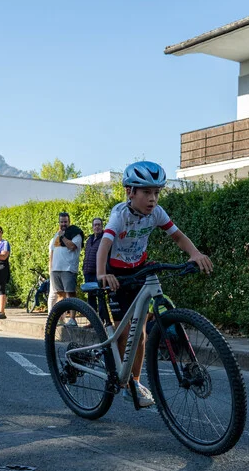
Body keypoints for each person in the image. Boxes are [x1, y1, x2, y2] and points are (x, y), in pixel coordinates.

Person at [96, 160, 212, 407]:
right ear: (130, 192)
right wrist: (102, 274)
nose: (153, 199)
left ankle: (134, 384)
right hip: (116, 273)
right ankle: (119, 372)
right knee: (124, 332)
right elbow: (104, 244)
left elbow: (178, 236)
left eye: (157, 192)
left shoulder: (157, 213)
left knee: (140, 334)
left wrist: (195, 253)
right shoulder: (119, 215)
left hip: (139, 268)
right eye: (146, 192)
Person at [49, 212, 83, 325]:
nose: (63, 224)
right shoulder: (56, 235)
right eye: (61, 222)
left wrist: (62, 236)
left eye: (65, 221)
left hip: (68, 269)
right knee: (60, 295)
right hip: (56, 269)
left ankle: (72, 319)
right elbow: (52, 252)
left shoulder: (76, 233)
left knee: (70, 294)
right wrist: (51, 268)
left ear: (69, 222)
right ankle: (61, 319)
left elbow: (72, 246)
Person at [82, 217, 108, 323]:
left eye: (99, 225)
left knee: (100, 297)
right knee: (91, 298)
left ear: (102, 226)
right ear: (92, 227)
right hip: (88, 272)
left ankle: (102, 321)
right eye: (95, 225)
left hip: (98, 273)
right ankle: (92, 322)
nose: (97, 227)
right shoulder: (89, 239)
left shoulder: (105, 239)